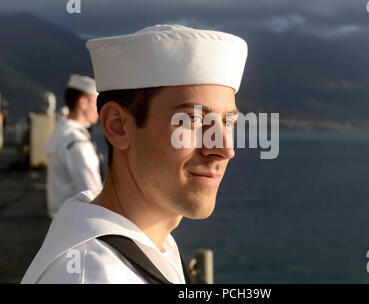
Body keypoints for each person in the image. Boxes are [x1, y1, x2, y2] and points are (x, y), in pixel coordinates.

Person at [21, 24, 247, 284]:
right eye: (193, 119)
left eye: (228, 122)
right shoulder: (92, 275)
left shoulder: (154, 246)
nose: (224, 149)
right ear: (118, 125)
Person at [44, 74, 103, 218]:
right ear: (82, 103)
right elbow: (93, 193)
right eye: (96, 103)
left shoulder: (61, 129)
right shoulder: (76, 142)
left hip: (61, 219)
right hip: (77, 221)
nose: (99, 109)